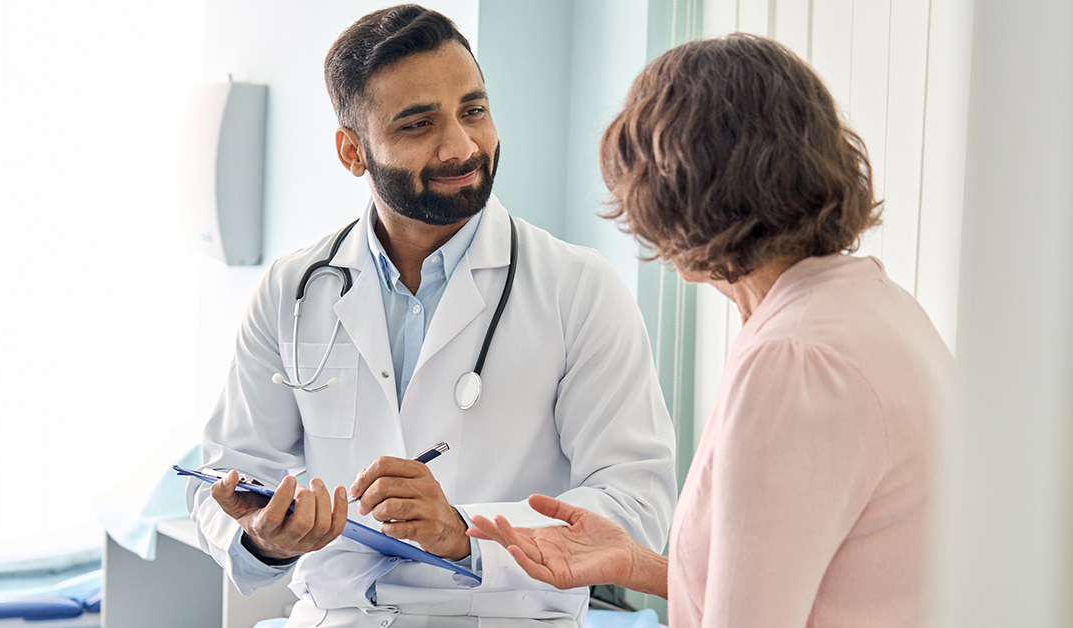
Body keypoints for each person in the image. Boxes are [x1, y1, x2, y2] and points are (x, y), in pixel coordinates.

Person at [186, 5, 678, 627]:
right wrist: (264, 538)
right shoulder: (292, 290)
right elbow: (220, 482)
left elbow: (635, 506)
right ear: (352, 152)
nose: (462, 146)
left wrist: (464, 530)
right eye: (418, 125)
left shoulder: (577, 290)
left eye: (473, 110)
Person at [468, 34, 956, 627]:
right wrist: (634, 563)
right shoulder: (877, 305)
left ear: (678, 198)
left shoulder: (792, 360)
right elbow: (806, 581)